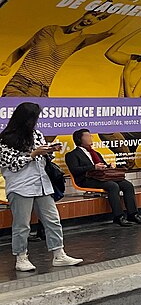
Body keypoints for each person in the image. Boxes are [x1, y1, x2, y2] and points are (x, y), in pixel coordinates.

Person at [0, 102, 82, 270]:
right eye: (34, 118)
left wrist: (49, 151)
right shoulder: (5, 139)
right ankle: (21, 257)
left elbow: (42, 159)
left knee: (53, 220)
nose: (36, 122)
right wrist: (33, 154)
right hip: (20, 185)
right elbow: (10, 164)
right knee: (22, 224)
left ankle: (59, 254)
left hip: (42, 183)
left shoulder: (37, 134)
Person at [0, 9, 121, 97]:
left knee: (48, 129)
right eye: (94, 14)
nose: (92, 20)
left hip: (42, 91)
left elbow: (112, 32)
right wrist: (7, 64)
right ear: (86, 12)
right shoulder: (48, 30)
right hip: (20, 84)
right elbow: (22, 49)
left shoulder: (81, 40)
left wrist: (135, 9)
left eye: (99, 18)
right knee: (16, 123)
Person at [66, 129, 141, 227]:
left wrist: (108, 166)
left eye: (91, 136)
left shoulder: (95, 153)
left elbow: (102, 165)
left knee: (127, 185)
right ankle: (118, 217)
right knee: (113, 186)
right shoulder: (72, 155)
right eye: (87, 136)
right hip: (86, 180)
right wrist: (93, 167)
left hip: (101, 177)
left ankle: (133, 214)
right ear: (79, 139)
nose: (91, 138)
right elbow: (75, 170)